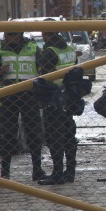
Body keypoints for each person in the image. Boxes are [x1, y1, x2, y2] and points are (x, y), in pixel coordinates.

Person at [0, 31, 48, 181]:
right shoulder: (0, 50)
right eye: (6, 35)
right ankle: (5, 172)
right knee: (7, 135)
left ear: (20, 35)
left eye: (11, 35)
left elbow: (43, 68)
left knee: (34, 135)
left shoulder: (33, 48)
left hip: (29, 97)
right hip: (8, 97)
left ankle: (37, 170)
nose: (8, 38)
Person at [36, 26, 79, 185]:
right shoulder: (69, 49)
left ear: (46, 34)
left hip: (54, 100)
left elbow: (45, 77)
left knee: (54, 137)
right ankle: (70, 172)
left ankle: (57, 173)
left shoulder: (49, 52)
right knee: (69, 135)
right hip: (68, 98)